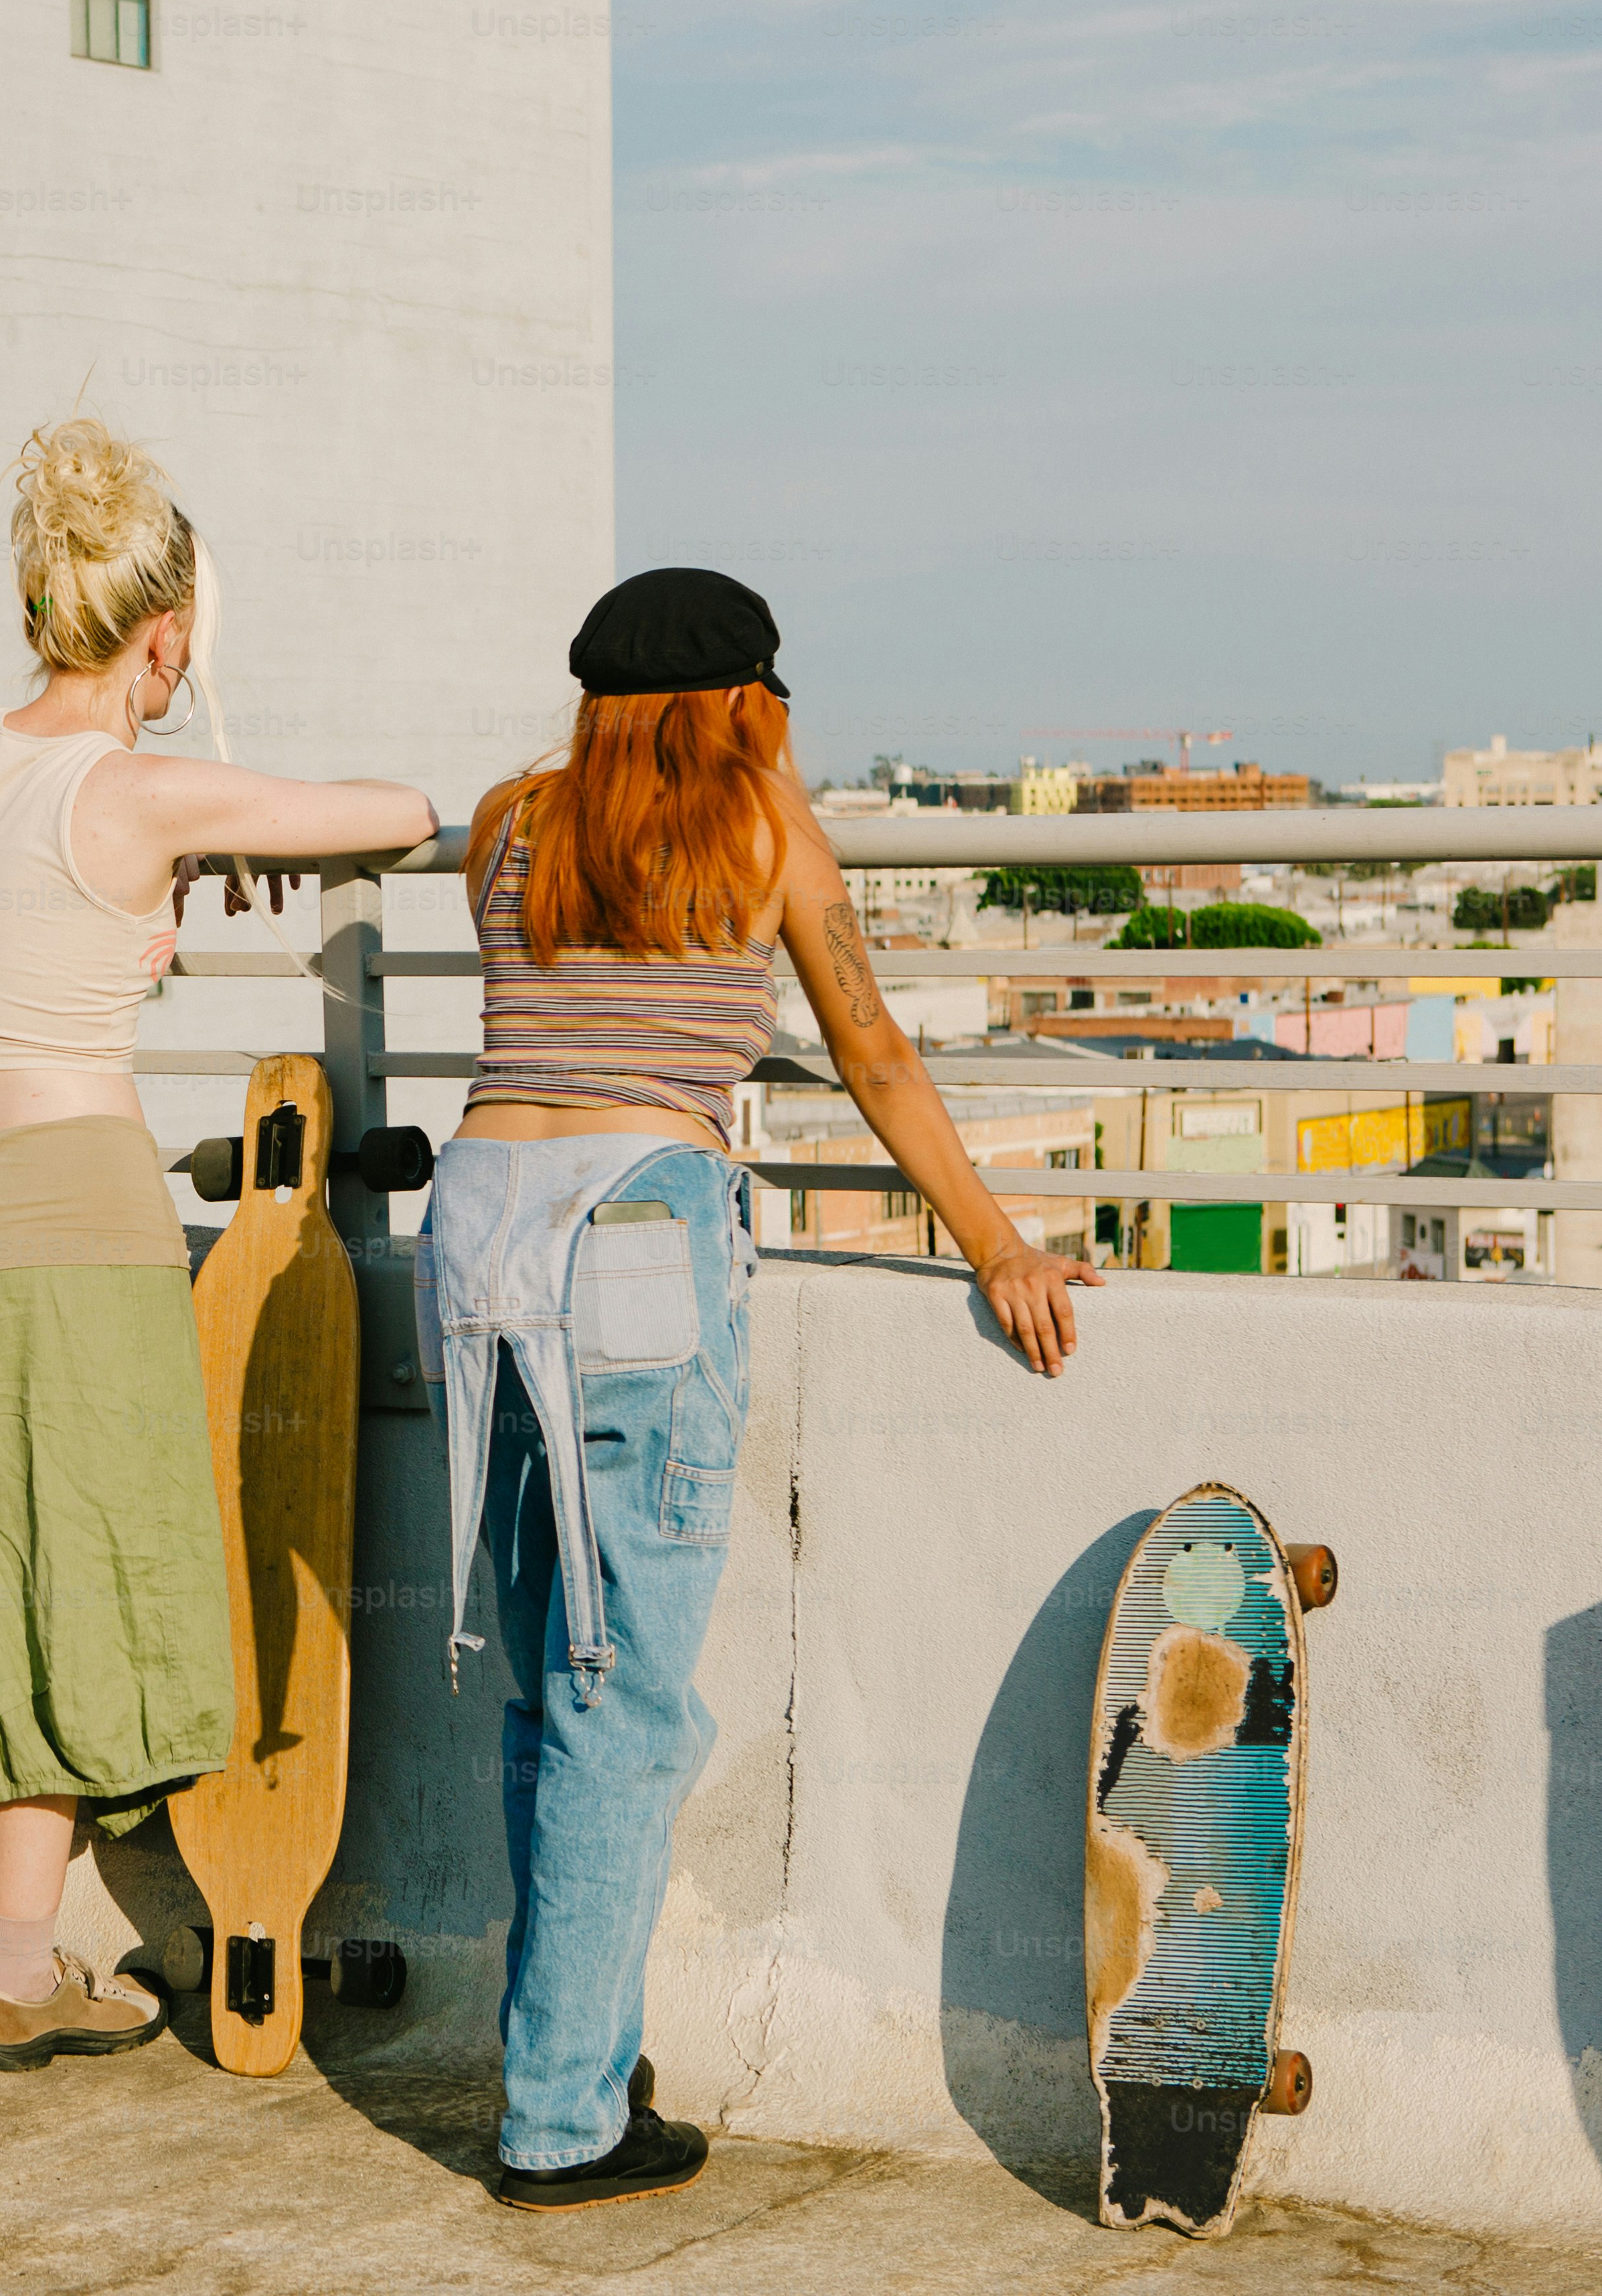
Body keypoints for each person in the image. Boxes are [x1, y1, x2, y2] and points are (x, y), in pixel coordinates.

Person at [427, 567, 1099, 2208]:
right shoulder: (765, 826)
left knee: (549, 1681)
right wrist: (999, 1243)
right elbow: (870, 1047)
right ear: (747, 699)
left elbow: (556, 1012)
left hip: (476, 1230)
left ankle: (572, 2045)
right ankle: (561, 2115)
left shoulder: (512, 824)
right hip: (635, 1238)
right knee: (628, 1694)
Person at [0, 418, 437, 2070]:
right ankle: (19, 1976)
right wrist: (214, 807)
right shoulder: (143, 788)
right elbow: (399, 812)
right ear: (168, 629)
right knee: (74, 1578)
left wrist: (177, 845)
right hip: (75, 1206)